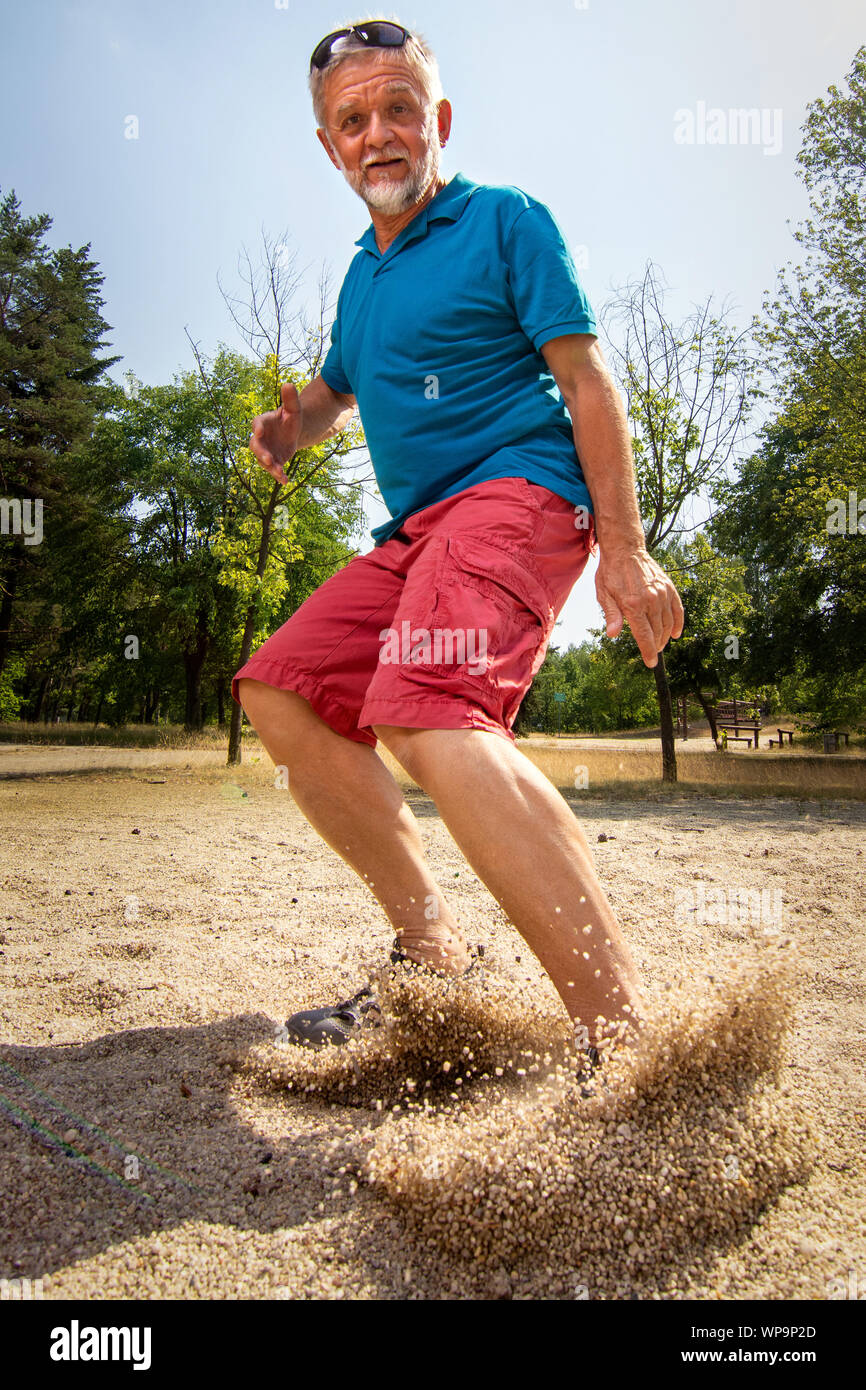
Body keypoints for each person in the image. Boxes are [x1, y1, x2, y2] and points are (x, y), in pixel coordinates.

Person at [233, 19, 684, 1063]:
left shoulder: (504, 220)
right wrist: (288, 422)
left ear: (435, 121)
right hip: (415, 530)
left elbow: (585, 380)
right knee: (281, 689)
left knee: (424, 700)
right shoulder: (361, 279)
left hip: (519, 495)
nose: (378, 133)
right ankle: (430, 955)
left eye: (398, 109)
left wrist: (624, 546)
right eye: (353, 119)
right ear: (327, 146)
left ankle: (627, 1047)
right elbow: (336, 391)